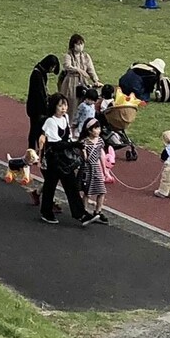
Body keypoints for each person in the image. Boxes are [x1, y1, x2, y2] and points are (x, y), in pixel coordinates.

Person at [37, 96, 94, 226]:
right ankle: (46, 212)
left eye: (65, 105)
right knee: (50, 185)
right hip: (54, 159)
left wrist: (76, 144)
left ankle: (80, 214)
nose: (64, 109)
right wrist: (74, 145)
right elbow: (56, 144)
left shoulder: (65, 118)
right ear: (54, 107)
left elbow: (67, 138)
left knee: (71, 185)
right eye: (60, 106)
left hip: (63, 158)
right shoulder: (50, 122)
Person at [25, 55, 60, 150]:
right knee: (35, 130)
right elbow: (39, 93)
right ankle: (32, 150)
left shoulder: (40, 72)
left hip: (36, 107)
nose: (52, 70)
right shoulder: (37, 74)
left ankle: (35, 150)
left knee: (37, 130)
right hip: (36, 108)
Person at [58, 33, 97, 114]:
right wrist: (79, 70)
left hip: (83, 82)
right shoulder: (68, 55)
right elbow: (67, 66)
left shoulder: (86, 56)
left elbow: (91, 69)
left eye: (81, 44)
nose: (80, 46)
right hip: (71, 82)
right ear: (73, 45)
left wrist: (95, 80)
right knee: (71, 103)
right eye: (78, 44)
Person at [80, 119, 109, 223]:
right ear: (89, 130)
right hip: (87, 169)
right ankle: (84, 211)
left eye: (99, 128)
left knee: (102, 191)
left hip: (96, 168)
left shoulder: (100, 141)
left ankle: (98, 211)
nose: (98, 130)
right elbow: (85, 158)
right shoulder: (85, 142)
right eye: (96, 128)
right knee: (87, 192)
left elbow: (101, 154)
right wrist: (83, 151)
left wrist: (105, 169)